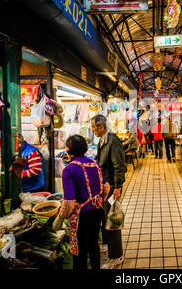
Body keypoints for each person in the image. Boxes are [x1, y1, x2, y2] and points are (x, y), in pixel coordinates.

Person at [53, 135, 110, 270]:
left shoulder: (69, 170)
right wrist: (99, 200)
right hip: (97, 212)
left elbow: (69, 202)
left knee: (80, 251)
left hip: (81, 217)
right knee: (93, 245)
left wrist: (60, 217)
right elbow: (106, 187)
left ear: (68, 149)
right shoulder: (94, 164)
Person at [91, 114, 127, 269]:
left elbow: (120, 166)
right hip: (104, 187)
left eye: (93, 127)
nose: (92, 130)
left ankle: (116, 256)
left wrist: (118, 187)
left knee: (112, 220)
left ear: (101, 127)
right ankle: (106, 244)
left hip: (112, 187)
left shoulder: (113, 140)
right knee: (104, 216)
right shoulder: (102, 140)